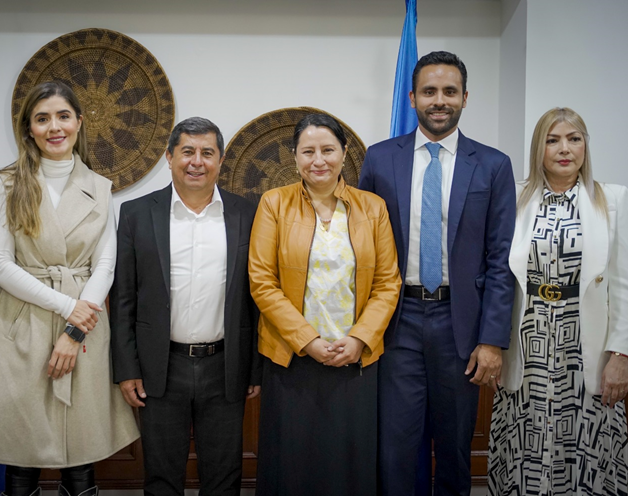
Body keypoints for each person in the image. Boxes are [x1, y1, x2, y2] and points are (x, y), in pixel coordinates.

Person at [0, 81, 139, 496]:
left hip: (86, 324)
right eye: (42, 119)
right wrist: (68, 306)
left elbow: (106, 264)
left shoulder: (100, 186)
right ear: (29, 129)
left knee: (80, 447)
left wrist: (76, 326)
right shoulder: (9, 183)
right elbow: (1, 265)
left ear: (79, 121)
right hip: (22, 322)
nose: (54, 127)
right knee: (20, 448)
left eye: (63, 116)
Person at [358, 50, 517, 495]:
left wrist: (491, 339)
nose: (439, 100)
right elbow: (361, 248)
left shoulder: (492, 165)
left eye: (450, 91)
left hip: (460, 326)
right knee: (397, 447)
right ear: (412, 98)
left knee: (453, 447)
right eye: (429, 91)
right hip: (398, 320)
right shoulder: (379, 159)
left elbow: (501, 259)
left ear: (465, 97)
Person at [248, 113, 401, 495]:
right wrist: (308, 341)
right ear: (295, 157)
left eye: (328, 150)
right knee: (292, 464)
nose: (319, 160)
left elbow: (387, 283)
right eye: (308, 151)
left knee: (349, 464)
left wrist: (360, 339)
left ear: (344, 153)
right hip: (293, 356)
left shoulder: (373, 208)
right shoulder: (274, 203)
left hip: (355, 358)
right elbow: (262, 282)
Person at [110, 117, 262, 495]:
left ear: (220, 160)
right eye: (187, 152)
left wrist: (254, 369)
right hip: (160, 366)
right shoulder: (136, 213)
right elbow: (124, 298)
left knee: (224, 475)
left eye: (207, 153)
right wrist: (126, 369)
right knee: (161, 476)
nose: (197, 161)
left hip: (225, 366)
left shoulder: (247, 214)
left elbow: (257, 299)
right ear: (169, 156)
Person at [488, 107, 628, 495]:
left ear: (585, 146)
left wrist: (621, 354)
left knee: (588, 442)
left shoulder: (613, 200)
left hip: (586, 343)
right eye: (553, 140)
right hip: (527, 338)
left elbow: (624, 284)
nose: (564, 149)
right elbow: (497, 275)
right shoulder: (513, 198)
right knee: (526, 438)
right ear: (539, 148)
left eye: (574, 139)